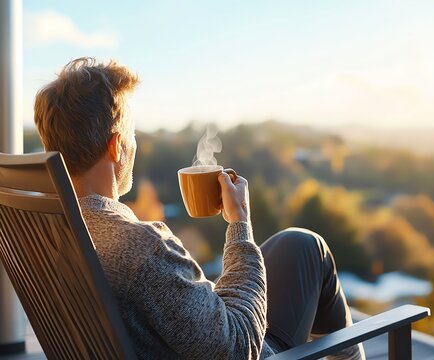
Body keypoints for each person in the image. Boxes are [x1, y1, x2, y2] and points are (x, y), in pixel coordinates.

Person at [33, 57, 365, 360]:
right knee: (312, 250)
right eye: (131, 135)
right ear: (117, 146)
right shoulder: (139, 248)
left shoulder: (46, 229)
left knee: (294, 243)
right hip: (246, 350)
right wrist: (239, 223)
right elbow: (240, 348)